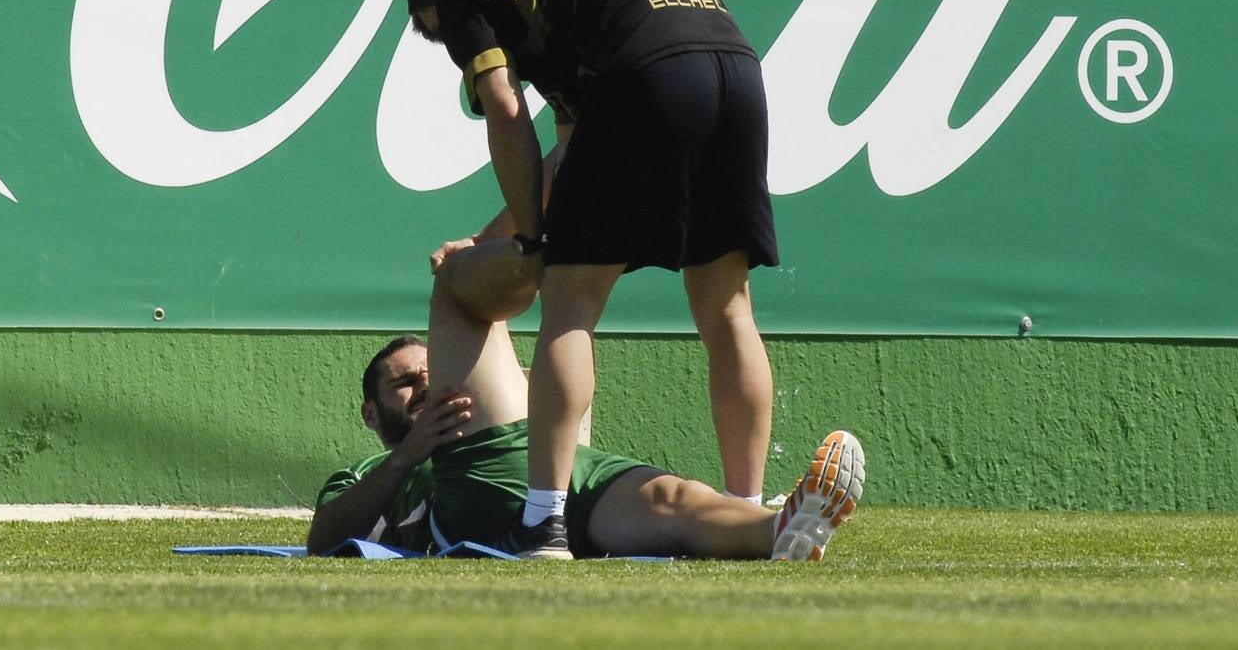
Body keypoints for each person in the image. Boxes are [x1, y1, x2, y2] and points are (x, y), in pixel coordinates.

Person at [406, 0, 779, 556]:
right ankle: (745, 516)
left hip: (645, 74)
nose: (453, 45)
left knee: (571, 303)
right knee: (727, 306)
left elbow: (503, 107)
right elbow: (570, 152)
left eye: (438, 33)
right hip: (736, 66)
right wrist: (492, 236)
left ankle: (542, 522)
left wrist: (530, 241)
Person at [307, 238, 864, 561]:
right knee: (458, 282)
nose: (426, 382)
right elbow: (323, 538)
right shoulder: (369, 470)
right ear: (371, 413)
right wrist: (411, 455)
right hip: (482, 474)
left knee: (676, 499)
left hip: (576, 471)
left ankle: (778, 529)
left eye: (433, 368)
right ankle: (537, 245)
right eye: (406, 382)